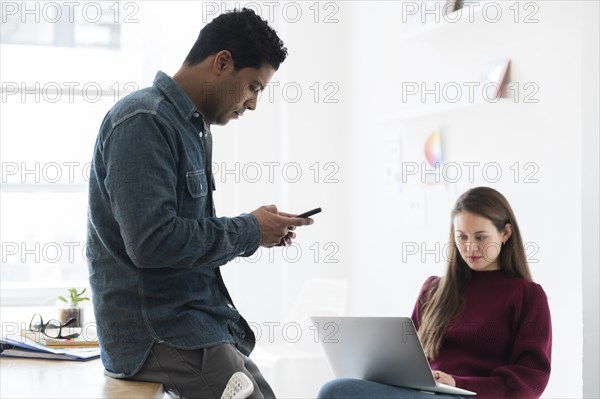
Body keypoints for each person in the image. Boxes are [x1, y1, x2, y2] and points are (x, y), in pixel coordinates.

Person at [86, 8, 313, 399]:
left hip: (195, 324)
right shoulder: (143, 120)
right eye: (254, 87)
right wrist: (250, 228)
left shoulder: (193, 129)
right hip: (157, 332)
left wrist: (256, 231)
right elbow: (153, 243)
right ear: (222, 62)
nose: (254, 103)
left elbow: (179, 236)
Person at [318, 187, 552, 399]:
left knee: (336, 391)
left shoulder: (527, 296)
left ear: (505, 233)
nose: (470, 247)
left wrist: (457, 382)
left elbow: (530, 382)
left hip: (471, 397)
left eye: (481, 237)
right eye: (462, 236)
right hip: (425, 392)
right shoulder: (434, 290)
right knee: (337, 388)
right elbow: (406, 356)